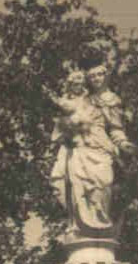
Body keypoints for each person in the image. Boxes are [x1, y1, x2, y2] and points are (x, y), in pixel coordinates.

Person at [45, 66, 132, 236]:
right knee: (76, 186)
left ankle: (101, 223)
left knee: (103, 183)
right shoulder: (73, 103)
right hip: (79, 149)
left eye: (100, 75)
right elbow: (61, 129)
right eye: (92, 76)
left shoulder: (104, 101)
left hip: (101, 148)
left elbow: (115, 128)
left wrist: (122, 142)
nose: (96, 79)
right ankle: (79, 227)